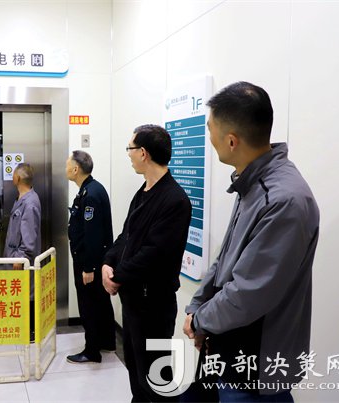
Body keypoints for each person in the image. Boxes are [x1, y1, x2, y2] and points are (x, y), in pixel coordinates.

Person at [183, 82, 320, 402]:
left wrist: (201, 319)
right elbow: (225, 260)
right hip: (226, 351)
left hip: (254, 368)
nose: (208, 136)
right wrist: (197, 309)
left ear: (231, 141)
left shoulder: (283, 199)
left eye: (210, 128)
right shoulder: (253, 184)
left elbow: (249, 293)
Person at [102, 125, 192, 402]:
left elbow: (154, 253)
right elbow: (126, 236)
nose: (128, 154)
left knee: (157, 377)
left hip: (153, 304)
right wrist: (108, 262)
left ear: (143, 153)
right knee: (136, 371)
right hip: (133, 300)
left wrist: (117, 276)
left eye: (130, 149)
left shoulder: (175, 199)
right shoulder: (143, 191)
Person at [65, 150, 116, 364]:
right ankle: (107, 341)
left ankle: (92, 351)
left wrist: (88, 268)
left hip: (89, 261)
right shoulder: (90, 189)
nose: (66, 169)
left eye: (67, 165)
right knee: (100, 302)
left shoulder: (91, 194)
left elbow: (93, 235)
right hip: (94, 260)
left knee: (90, 306)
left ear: (76, 169)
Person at [3, 163, 41, 342]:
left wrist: (21, 257)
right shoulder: (22, 198)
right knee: (21, 292)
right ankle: (23, 327)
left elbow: (29, 235)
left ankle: (31, 330)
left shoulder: (30, 203)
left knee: (28, 293)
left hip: (22, 259)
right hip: (15, 257)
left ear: (17, 178)